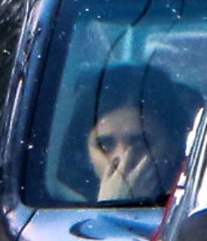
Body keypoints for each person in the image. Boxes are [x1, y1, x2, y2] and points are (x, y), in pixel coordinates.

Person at [76, 65, 198, 205]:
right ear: (86, 151)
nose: (123, 158)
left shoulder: (197, 207)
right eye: (105, 145)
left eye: (141, 143)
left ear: (173, 144)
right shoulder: (61, 211)